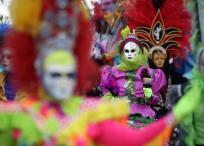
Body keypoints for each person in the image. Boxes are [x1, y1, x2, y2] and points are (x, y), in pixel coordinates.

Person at [0, 0, 202, 146]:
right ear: (38, 73)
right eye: (56, 75)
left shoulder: (88, 114)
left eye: (69, 75)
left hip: (141, 113)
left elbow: (134, 139)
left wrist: (177, 114)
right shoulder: (17, 116)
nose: (63, 82)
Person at [99, 27, 167, 127]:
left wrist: (149, 96)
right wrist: (112, 99)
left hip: (143, 117)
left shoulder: (149, 73)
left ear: (139, 52)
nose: (130, 54)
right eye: (127, 51)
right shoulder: (112, 72)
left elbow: (155, 100)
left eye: (133, 50)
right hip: (118, 116)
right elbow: (107, 93)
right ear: (122, 54)